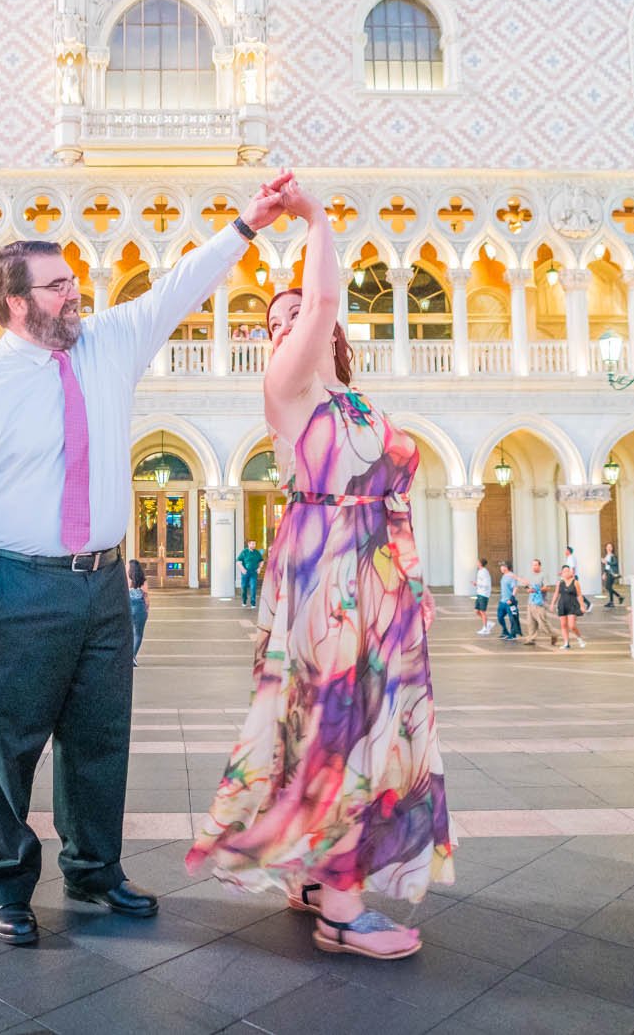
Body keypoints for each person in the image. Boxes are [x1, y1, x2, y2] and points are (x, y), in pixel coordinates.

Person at [0, 172, 293, 947]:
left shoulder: (108, 347)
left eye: (74, 281)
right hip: (18, 586)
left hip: (102, 587)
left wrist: (245, 226)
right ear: (16, 302)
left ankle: (95, 870)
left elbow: (175, 289)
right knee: (10, 749)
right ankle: (8, 886)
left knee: (99, 740)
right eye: (57, 286)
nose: (75, 294)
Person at [189, 177, 450, 962]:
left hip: (374, 578)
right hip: (332, 581)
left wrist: (410, 585)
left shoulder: (356, 401)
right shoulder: (289, 388)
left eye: (297, 314)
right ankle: (343, 909)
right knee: (348, 729)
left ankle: (312, 879)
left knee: (329, 727)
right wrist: (315, 220)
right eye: (275, 321)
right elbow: (326, 298)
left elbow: (387, 495)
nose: (289, 325)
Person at [522, 559, 557, 647]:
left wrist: (537, 589)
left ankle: (553, 634)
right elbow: (526, 586)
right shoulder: (530, 575)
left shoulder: (543, 575)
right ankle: (531, 638)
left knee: (542, 623)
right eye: (533, 565)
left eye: (536, 565)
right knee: (531, 622)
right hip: (531, 602)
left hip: (539, 603)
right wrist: (528, 589)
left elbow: (547, 587)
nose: (534, 567)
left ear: (539, 566)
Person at [556, 563, 587, 649]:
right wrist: (552, 604)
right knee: (563, 625)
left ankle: (580, 639)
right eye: (564, 571)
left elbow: (579, 595)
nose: (566, 572)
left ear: (570, 572)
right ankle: (566, 643)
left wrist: (582, 606)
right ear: (562, 573)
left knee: (572, 625)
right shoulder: (560, 583)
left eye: (567, 571)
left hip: (572, 605)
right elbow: (556, 594)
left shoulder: (575, 582)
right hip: (562, 605)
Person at [126, 559, 148, 665]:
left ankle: (129, 656)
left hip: (128, 606)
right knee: (138, 633)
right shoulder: (142, 580)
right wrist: (147, 609)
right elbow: (146, 596)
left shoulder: (125, 579)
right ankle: (132, 655)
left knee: (128, 633)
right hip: (139, 607)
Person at [496, 561, 522, 641]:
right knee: (500, 617)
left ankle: (513, 634)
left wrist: (512, 598)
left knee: (512, 618)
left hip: (510, 602)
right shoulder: (504, 575)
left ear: (506, 567)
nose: (501, 568)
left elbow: (515, 587)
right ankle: (505, 632)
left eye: (502, 566)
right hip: (502, 601)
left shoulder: (511, 576)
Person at [238, 541, 264, 608]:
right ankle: (244, 601)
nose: (254, 545)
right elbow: (238, 561)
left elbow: (261, 561)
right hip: (245, 572)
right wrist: (242, 569)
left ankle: (253, 603)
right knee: (244, 587)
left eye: (255, 544)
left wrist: (259, 568)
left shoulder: (257, 552)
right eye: (252, 544)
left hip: (254, 572)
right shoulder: (244, 552)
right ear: (248, 544)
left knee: (253, 587)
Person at [473, 558, 493, 634]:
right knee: (476, 611)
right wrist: (476, 584)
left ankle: (485, 629)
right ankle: (488, 623)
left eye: (478, 562)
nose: (476, 563)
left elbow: (486, 584)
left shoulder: (484, 572)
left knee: (482, 611)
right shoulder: (480, 571)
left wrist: (477, 584)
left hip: (484, 594)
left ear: (481, 563)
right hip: (479, 593)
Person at [600, 542, 622, 608]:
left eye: (610, 547)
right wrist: (604, 573)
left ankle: (618, 597)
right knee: (609, 587)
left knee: (607, 587)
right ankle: (612, 602)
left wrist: (606, 562)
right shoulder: (607, 556)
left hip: (612, 574)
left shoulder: (613, 556)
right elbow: (607, 566)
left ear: (612, 548)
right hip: (608, 573)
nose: (609, 548)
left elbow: (615, 563)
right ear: (606, 548)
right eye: (608, 546)